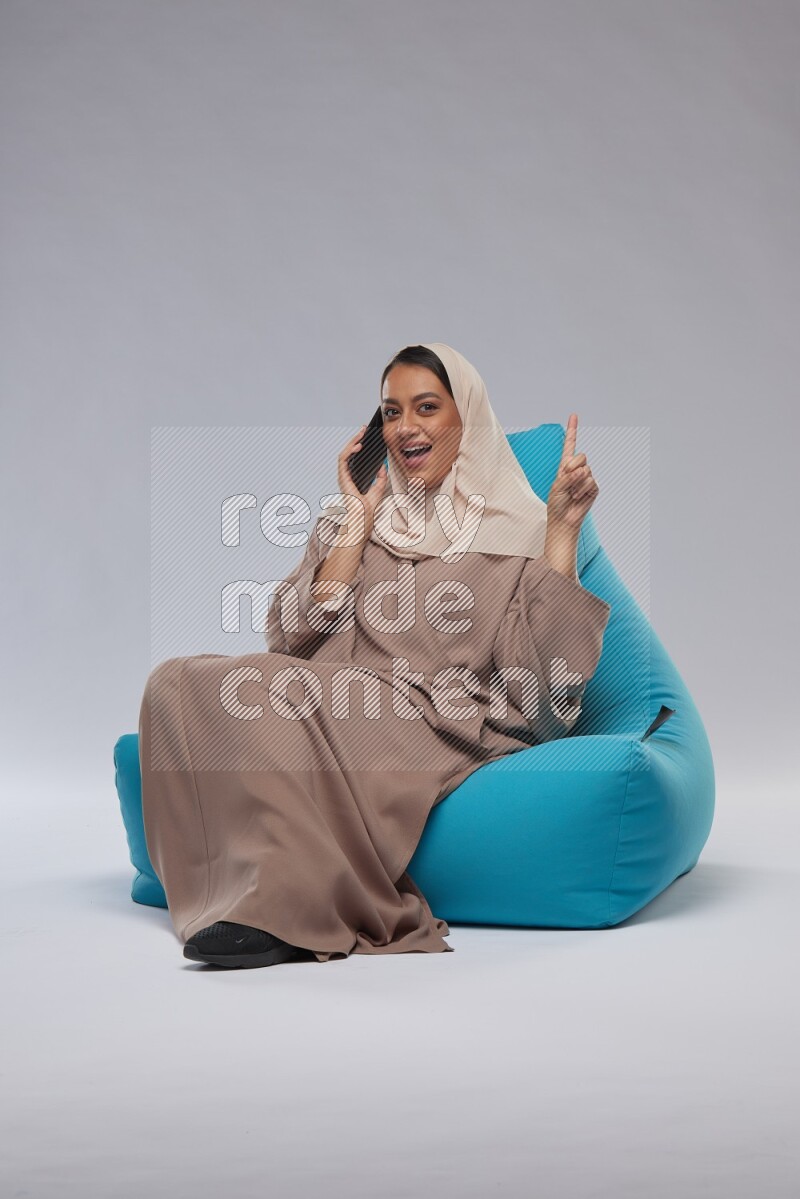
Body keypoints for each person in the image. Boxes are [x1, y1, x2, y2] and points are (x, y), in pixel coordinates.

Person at [138, 342, 611, 969]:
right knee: (178, 682)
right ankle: (225, 888)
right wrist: (354, 529)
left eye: (426, 408)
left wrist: (561, 534)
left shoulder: (520, 528)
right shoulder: (359, 519)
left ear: (465, 419)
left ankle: (287, 912)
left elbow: (548, 699)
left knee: (270, 692)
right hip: (337, 695)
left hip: (443, 715)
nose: (406, 427)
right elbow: (284, 642)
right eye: (391, 412)